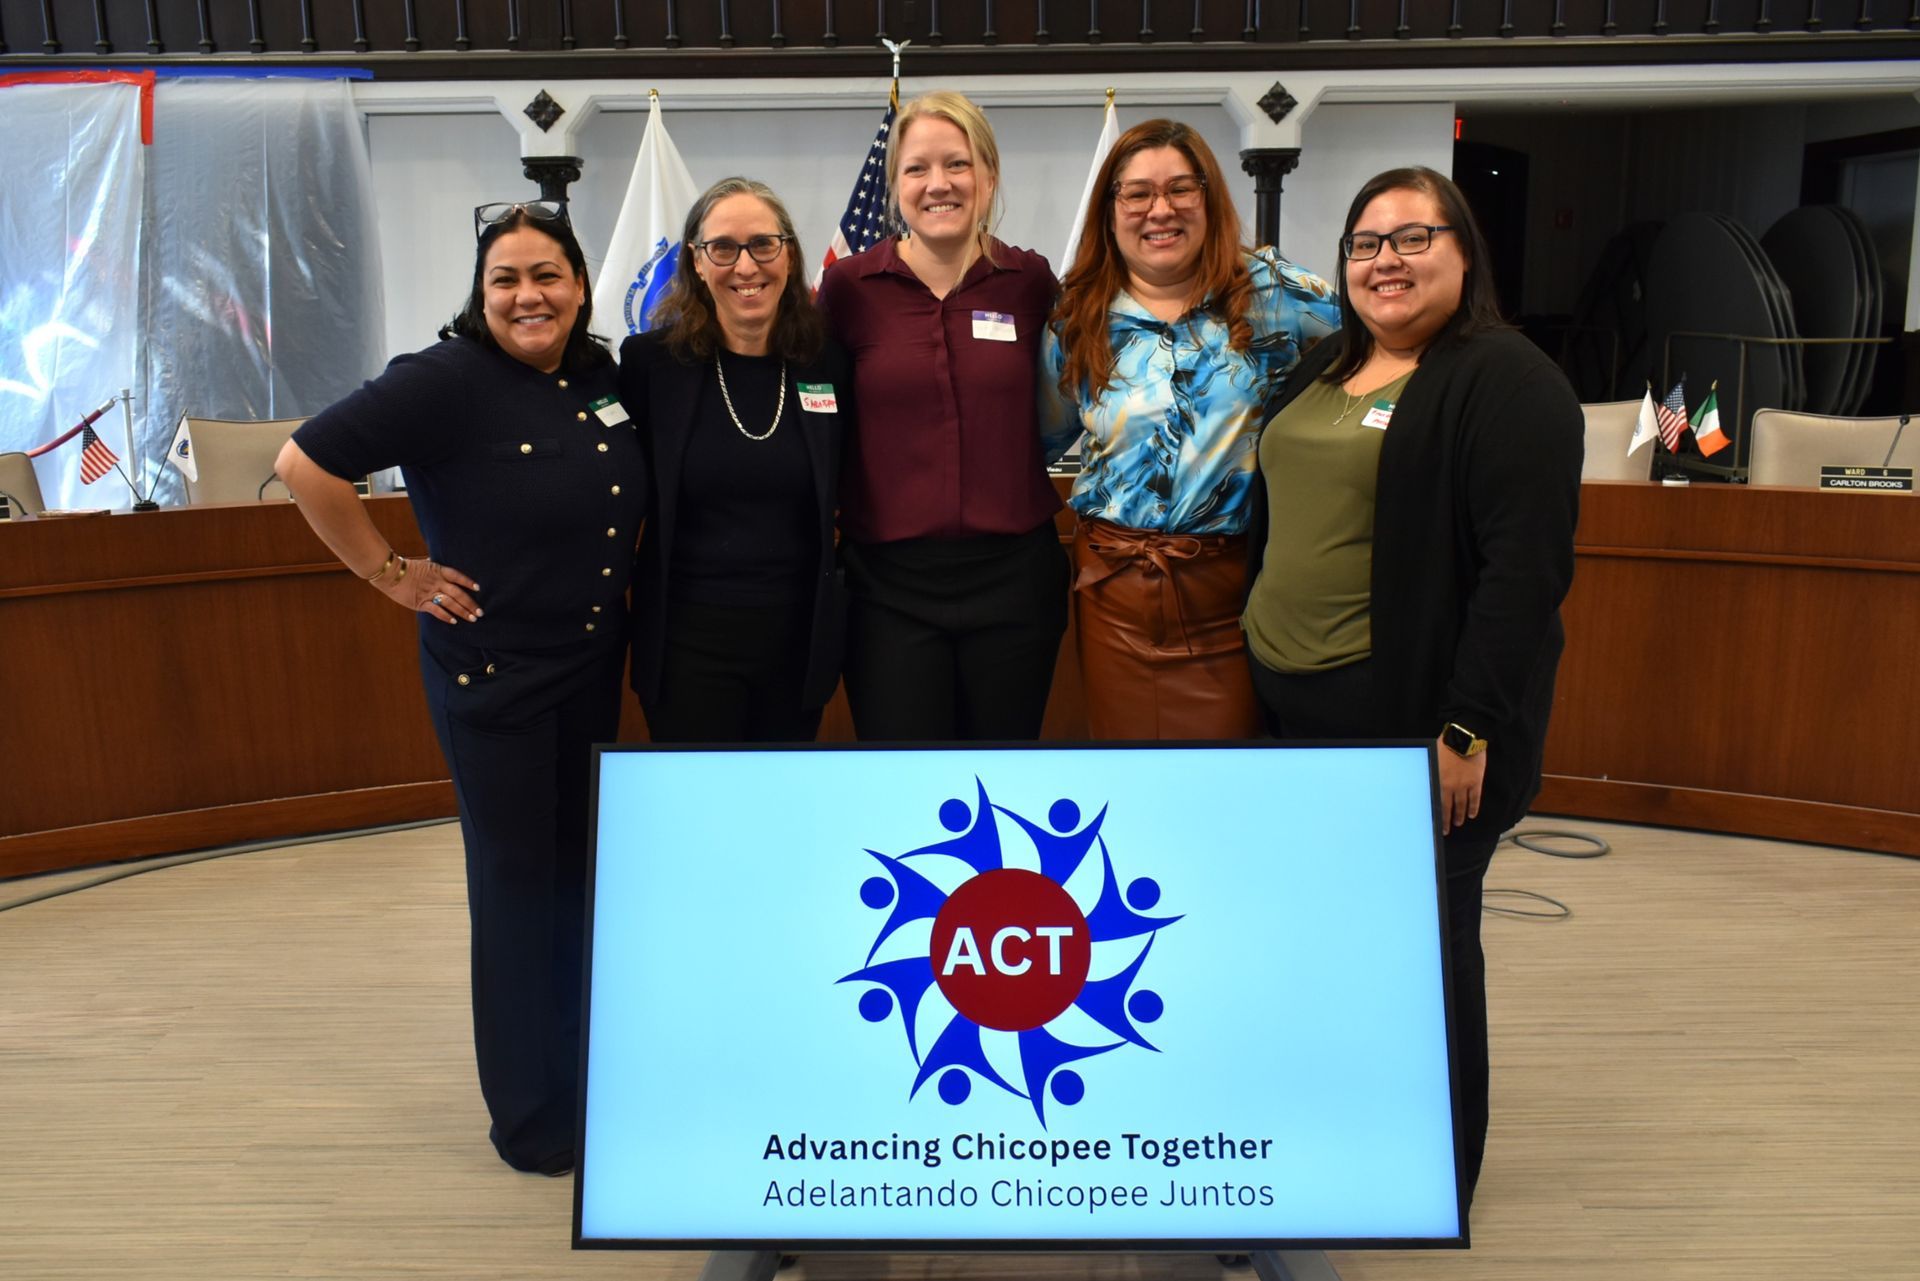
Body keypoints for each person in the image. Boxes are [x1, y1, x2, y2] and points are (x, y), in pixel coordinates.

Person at [275, 200, 644, 1177]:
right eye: (506, 280)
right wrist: (393, 574)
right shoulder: (441, 382)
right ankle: (533, 1121)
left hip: (588, 668)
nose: (530, 295)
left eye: (548, 275)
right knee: (519, 892)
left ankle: (580, 1075)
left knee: (577, 879)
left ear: (579, 285)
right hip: (496, 680)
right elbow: (303, 464)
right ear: (481, 297)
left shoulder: (599, 376)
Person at [1242, 166, 1584, 1203]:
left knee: (1424, 951)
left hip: (1411, 721)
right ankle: (1325, 1130)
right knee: (1322, 936)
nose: (1385, 260)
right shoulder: (1321, 365)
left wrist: (1466, 727)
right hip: (1290, 705)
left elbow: (1524, 574)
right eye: (1364, 243)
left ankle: (1428, 1172)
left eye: (1413, 237)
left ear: (1465, 253)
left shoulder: (1506, 380)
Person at [1043, 118, 1340, 740]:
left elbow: (1374, 348)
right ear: (1111, 208)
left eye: (1181, 188)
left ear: (1209, 197)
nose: (1161, 209)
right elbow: (1039, 436)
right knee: (1127, 780)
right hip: (1112, 591)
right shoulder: (1078, 314)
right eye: (1138, 193)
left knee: (1223, 777)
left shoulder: (1276, 292)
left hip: (1231, 595)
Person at [817, 90, 1069, 741]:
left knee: (1005, 777)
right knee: (905, 783)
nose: (939, 184)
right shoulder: (849, 290)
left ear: (988, 176)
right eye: (917, 168)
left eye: (956, 165)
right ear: (895, 185)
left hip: (1015, 580)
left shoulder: (1030, 282)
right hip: (888, 590)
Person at [620, 177, 849, 742]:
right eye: (723, 248)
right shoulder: (651, 365)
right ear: (696, 263)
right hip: (685, 647)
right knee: (698, 817)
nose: (746, 266)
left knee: (780, 812)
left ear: (789, 255)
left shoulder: (827, 362)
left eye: (763, 245)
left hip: (797, 646)